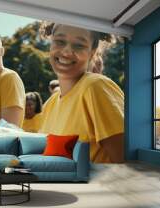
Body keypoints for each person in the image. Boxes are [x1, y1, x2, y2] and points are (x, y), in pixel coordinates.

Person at [39, 22, 124, 163]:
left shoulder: (96, 87)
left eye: (79, 45)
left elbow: (127, 165)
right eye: (60, 41)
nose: (66, 52)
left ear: (92, 52)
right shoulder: (50, 105)